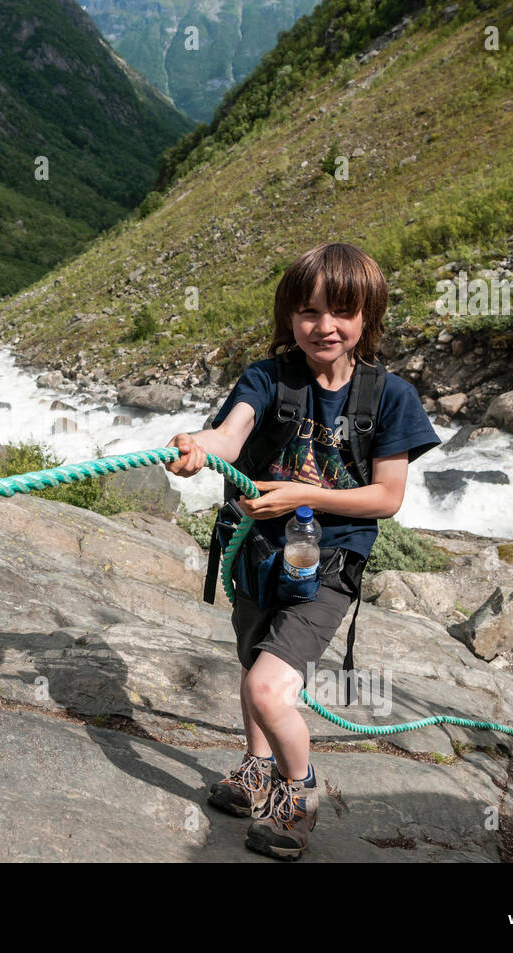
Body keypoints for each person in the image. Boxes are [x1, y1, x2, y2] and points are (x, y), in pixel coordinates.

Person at [164, 242, 439, 860]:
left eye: (342, 311)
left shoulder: (390, 398)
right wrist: (199, 446)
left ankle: (299, 789)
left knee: (268, 687)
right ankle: (257, 766)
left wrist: (297, 495)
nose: (325, 326)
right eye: (310, 312)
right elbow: (232, 435)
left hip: (329, 565)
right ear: (290, 317)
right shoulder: (267, 378)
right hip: (256, 552)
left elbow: (386, 497)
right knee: (253, 661)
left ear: (367, 317)